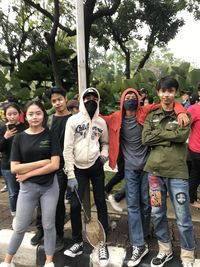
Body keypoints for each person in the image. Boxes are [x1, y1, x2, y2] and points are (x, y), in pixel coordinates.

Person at [101, 87, 188, 267]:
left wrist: (180, 110)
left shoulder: (145, 111)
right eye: (128, 96)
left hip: (149, 167)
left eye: (134, 96)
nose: (131, 99)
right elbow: (97, 118)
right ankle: (138, 243)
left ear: (139, 100)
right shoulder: (116, 117)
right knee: (133, 205)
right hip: (131, 169)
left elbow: (167, 102)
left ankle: (144, 231)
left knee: (147, 203)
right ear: (123, 100)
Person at [142, 76, 195, 267]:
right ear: (158, 93)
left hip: (178, 174)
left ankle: (188, 255)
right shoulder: (152, 115)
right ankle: (165, 250)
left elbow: (181, 136)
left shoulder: (183, 115)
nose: (167, 95)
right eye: (163, 91)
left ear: (176, 93)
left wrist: (160, 135)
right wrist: (169, 137)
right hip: (154, 173)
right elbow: (146, 138)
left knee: (183, 217)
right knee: (157, 213)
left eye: (171, 91)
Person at [0, 100, 61, 267]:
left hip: (49, 187)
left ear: (43, 115)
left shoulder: (50, 135)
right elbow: (14, 168)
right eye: (31, 114)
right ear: (25, 116)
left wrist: (27, 174)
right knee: (19, 226)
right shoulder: (19, 138)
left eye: (38, 113)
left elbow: (55, 165)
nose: (35, 117)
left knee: (49, 225)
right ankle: (7, 262)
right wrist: (42, 163)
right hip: (27, 189)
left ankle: (49, 262)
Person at [63, 88, 109, 267]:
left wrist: (104, 155)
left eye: (94, 98)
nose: (91, 100)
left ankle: (102, 243)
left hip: (96, 167)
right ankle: (77, 242)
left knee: (101, 203)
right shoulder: (73, 121)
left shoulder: (101, 122)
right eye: (87, 97)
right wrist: (70, 174)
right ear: (82, 100)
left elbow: (105, 142)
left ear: (98, 101)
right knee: (75, 205)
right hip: (78, 169)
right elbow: (67, 148)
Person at [30, 87, 71, 251]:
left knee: (58, 202)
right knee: (40, 199)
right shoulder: (49, 120)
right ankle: (40, 231)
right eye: (54, 101)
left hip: (63, 166)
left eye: (60, 99)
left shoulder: (73, 119)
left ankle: (59, 235)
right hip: (46, 164)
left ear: (66, 99)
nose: (57, 103)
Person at [0, 103, 26, 219]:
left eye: (14, 114)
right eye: (9, 114)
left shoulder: (25, 127)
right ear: (5, 115)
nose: (12, 117)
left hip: (23, 164)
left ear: (19, 114)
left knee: (24, 190)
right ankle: (15, 213)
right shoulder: (2, 128)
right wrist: (5, 137)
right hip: (7, 165)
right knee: (13, 192)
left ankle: (25, 213)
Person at [187, 92, 200, 209]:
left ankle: (191, 198)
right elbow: (185, 126)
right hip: (196, 149)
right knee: (196, 174)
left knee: (196, 174)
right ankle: (191, 199)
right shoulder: (194, 109)